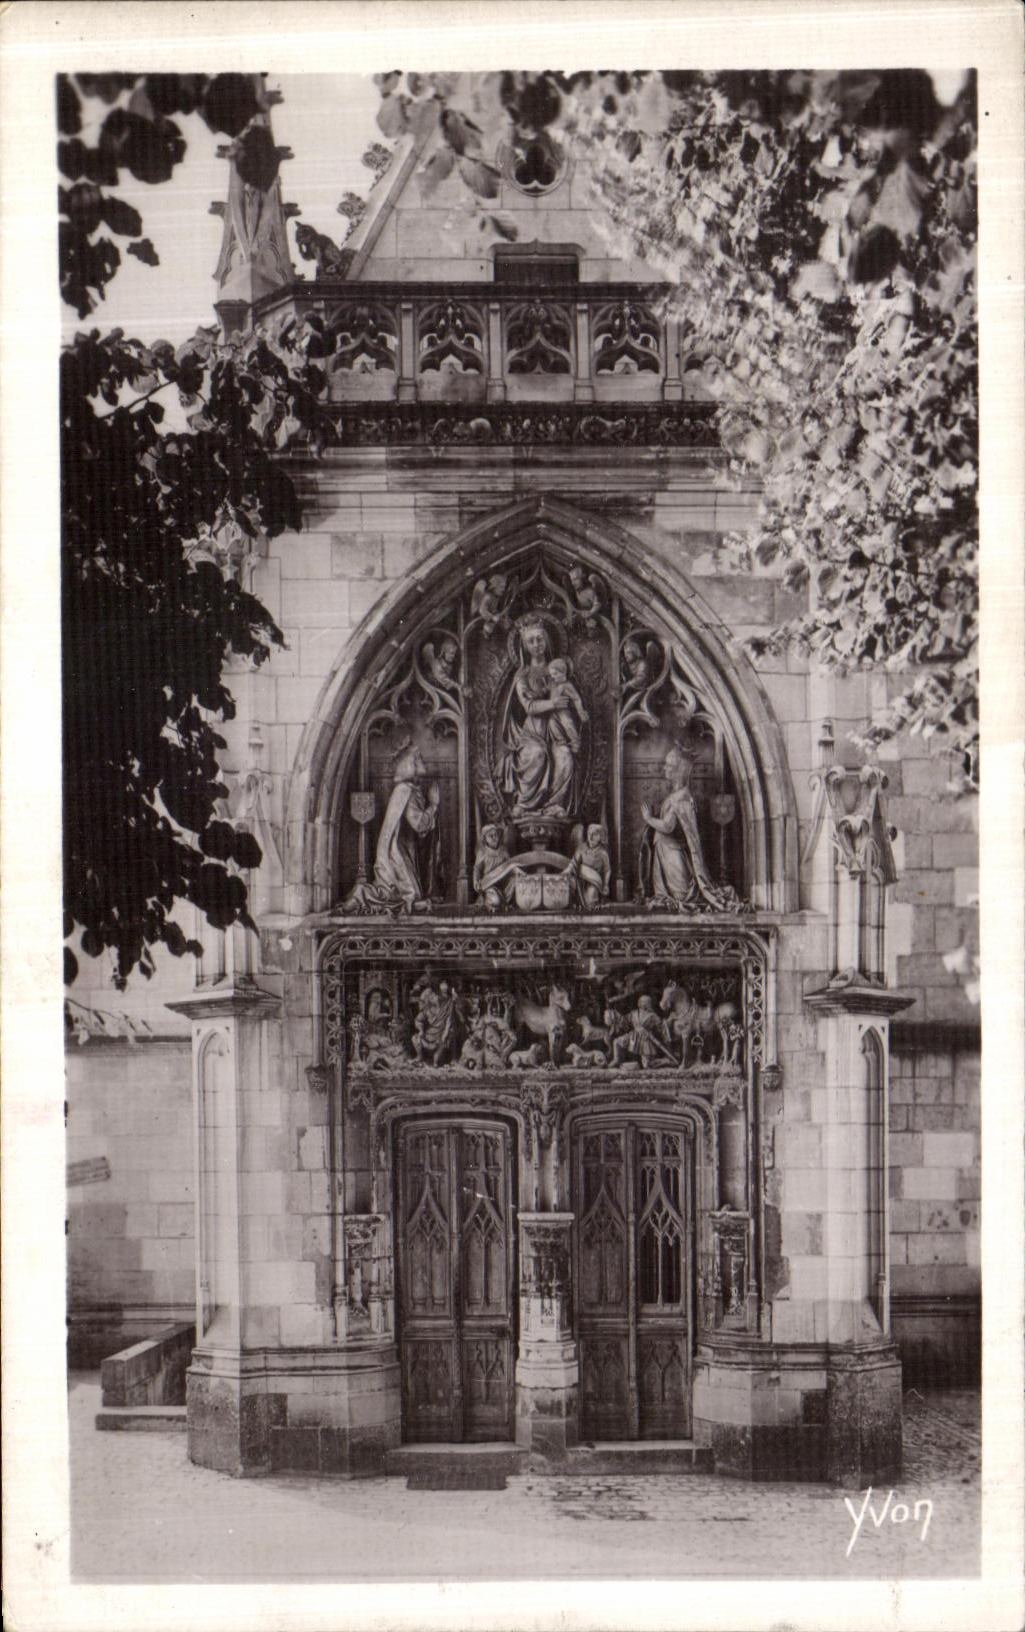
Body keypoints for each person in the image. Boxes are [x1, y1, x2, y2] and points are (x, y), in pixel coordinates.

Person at [639, 746, 744, 913]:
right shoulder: (677, 796)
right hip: (664, 851)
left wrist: (648, 819)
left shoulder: (681, 798)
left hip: (671, 852)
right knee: (670, 895)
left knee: (681, 895)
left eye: (669, 766)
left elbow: (668, 826)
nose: (664, 769)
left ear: (678, 771)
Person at [342, 742, 440, 913]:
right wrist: (434, 805)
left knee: (409, 895)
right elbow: (419, 824)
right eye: (420, 759)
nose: (424, 761)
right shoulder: (404, 790)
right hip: (396, 855)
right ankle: (360, 896)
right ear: (411, 764)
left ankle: (361, 896)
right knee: (405, 895)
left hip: (404, 850)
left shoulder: (409, 789)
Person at [500, 620, 582, 819]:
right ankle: (525, 804)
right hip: (532, 733)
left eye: (539, 639)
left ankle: (554, 805)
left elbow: (572, 697)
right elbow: (528, 706)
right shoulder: (523, 675)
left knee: (565, 757)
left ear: (546, 640)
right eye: (531, 641)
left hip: (556, 731)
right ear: (525, 646)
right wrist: (553, 703)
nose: (536, 644)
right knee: (537, 754)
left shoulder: (558, 669)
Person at [472, 824, 520, 908]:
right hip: (490, 883)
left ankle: (506, 902)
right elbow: (477, 869)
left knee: (515, 880)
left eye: (495, 835)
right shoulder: (482, 852)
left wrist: (518, 872)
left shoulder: (503, 850)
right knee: (495, 901)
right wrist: (476, 881)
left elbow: (510, 865)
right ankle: (495, 901)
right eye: (491, 836)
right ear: (485, 839)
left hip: (504, 882)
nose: (494, 838)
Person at [564, 822, 611, 909]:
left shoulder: (603, 853)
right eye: (589, 834)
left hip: (594, 881)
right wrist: (566, 872)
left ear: (600, 837)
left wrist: (606, 884)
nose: (591, 837)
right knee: (569, 884)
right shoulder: (581, 848)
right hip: (580, 879)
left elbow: (607, 870)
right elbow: (573, 863)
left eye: (594, 834)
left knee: (590, 902)